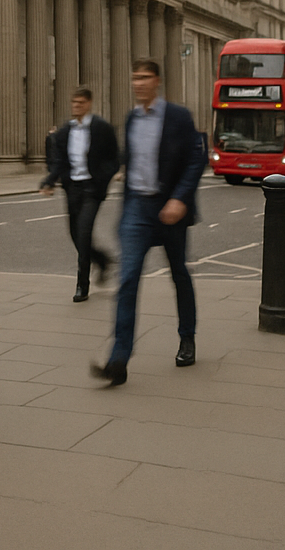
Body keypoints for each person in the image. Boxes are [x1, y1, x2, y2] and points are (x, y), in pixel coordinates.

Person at [91, 58, 205, 385]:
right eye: (134, 78)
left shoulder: (179, 117)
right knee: (127, 281)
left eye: (144, 78)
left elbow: (195, 161)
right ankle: (118, 360)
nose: (138, 83)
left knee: (179, 274)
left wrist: (179, 199)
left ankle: (187, 336)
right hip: (138, 209)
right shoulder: (130, 119)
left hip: (170, 208)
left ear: (157, 81)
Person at [40, 87, 119, 302]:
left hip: (92, 189)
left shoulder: (102, 128)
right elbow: (59, 162)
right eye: (74, 102)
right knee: (75, 235)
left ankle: (82, 286)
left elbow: (114, 157)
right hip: (72, 189)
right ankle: (102, 260)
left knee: (84, 233)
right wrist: (49, 181)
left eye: (81, 102)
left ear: (89, 103)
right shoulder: (64, 132)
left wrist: (104, 179)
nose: (76, 106)